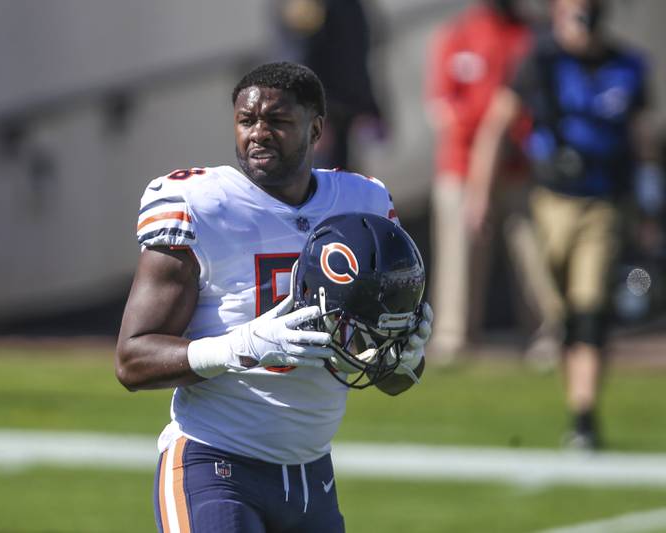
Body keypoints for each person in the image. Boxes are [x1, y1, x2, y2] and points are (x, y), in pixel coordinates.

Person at [115, 62, 433, 532]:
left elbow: (390, 380)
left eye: (277, 121)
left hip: (313, 478)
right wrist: (241, 347)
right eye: (247, 121)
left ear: (317, 128)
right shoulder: (200, 204)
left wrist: (403, 358)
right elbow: (132, 359)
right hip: (216, 465)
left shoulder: (362, 203)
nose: (259, 133)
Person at [466, 0, 663, 449]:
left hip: (605, 202)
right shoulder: (540, 61)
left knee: (589, 302)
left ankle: (585, 417)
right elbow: (498, 123)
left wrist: (650, 202)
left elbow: (642, 137)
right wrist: (480, 194)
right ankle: (578, 406)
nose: (583, 24)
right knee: (562, 314)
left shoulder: (627, 65)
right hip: (551, 202)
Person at [425, 0, 562, 363]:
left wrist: (512, 137)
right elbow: (441, 105)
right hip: (460, 165)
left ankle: (547, 332)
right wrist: (480, 135)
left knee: (531, 250)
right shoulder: (457, 34)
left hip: (518, 166)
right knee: (460, 250)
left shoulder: (530, 34)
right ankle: (455, 337)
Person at [274, 0, 384, 170]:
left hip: (349, 112)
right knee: (322, 184)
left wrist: (368, 107)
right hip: (323, 118)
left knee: (349, 186)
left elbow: (356, 57)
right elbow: (298, 62)